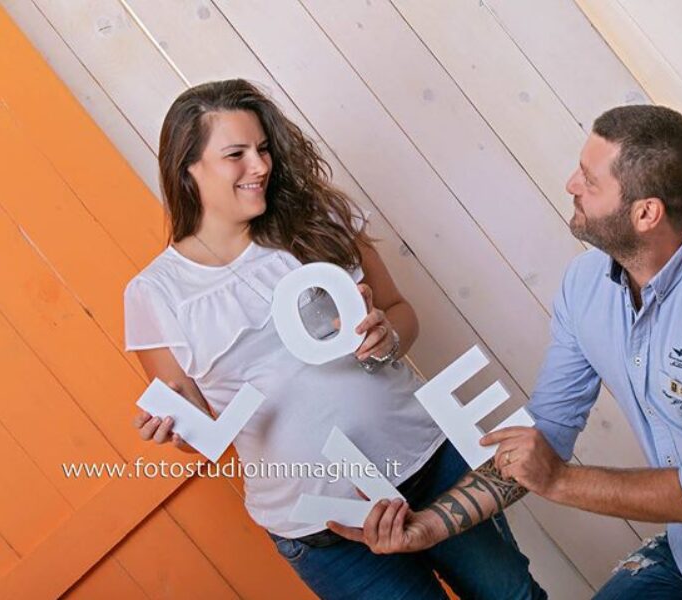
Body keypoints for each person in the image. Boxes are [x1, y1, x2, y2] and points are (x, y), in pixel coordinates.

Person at [330, 105, 682, 599]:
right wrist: (428, 526)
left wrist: (558, 480)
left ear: (646, 214)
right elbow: (546, 432)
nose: (570, 183)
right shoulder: (586, 284)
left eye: (589, 180)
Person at [124, 79, 545, 600]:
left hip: (429, 464)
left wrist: (387, 336)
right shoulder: (156, 293)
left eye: (262, 149)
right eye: (236, 154)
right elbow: (200, 432)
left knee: (514, 596)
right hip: (323, 524)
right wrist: (174, 430)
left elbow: (400, 314)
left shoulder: (317, 221)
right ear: (188, 167)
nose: (259, 166)